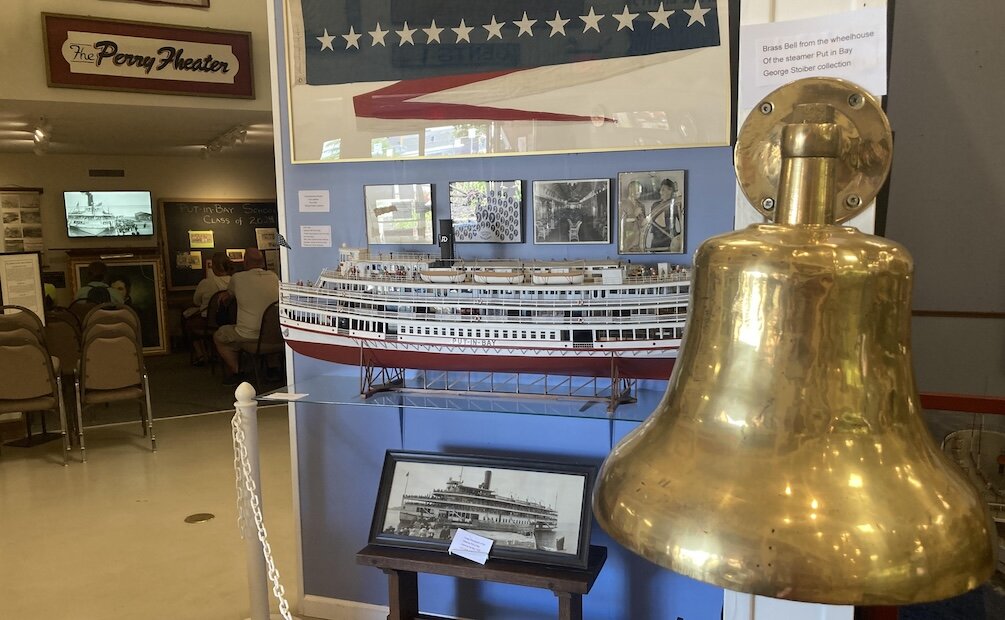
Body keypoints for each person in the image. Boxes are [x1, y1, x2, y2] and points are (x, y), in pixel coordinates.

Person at [213, 247, 279, 385]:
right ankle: (273, 368)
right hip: (275, 335)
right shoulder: (274, 277)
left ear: (245, 262)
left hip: (248, 335)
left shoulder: (238, 278)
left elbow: (228, 296)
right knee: (266, 327)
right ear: (262, 263)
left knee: (219, 336)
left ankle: (238, 372)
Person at [184, 253, 234, 365]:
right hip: (231, 321)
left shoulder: (206, 282)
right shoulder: (235, 281)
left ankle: (201, 354)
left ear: (214, 267)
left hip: (210, 322)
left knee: (189, 323)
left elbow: (196, 301)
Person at [645, 178, 683, 253]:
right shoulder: (655, 205)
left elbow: (682, 224)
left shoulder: (676, 205)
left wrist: (679, 238)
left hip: (671, 242)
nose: (662, 192)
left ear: (671, 191)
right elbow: (651, 222)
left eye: (664, 190)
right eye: (661, 189)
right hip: (657, 241)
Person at [620, 180, 646, 253]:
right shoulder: (623, 205)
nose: (640, 192)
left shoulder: (641, 206)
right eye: (638, 189)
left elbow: (643, 224)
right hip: (627, 242)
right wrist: (634, 215)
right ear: (631, 190)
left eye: (641, 190)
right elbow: (620, 223)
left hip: (640, 243)